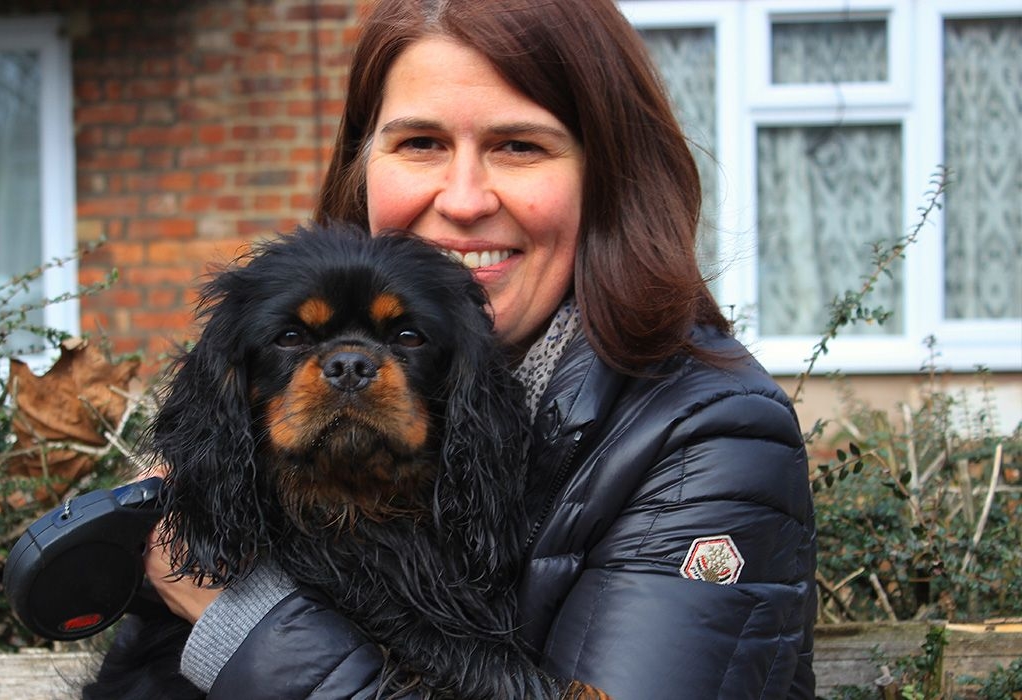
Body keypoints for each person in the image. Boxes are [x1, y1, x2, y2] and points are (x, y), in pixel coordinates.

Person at [145, 0, 817, 697]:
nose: (463, 201)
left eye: (520, 145)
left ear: (609, 177)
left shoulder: (709, 442)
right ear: (361, 166)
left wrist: (240, 615)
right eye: (420, 143)